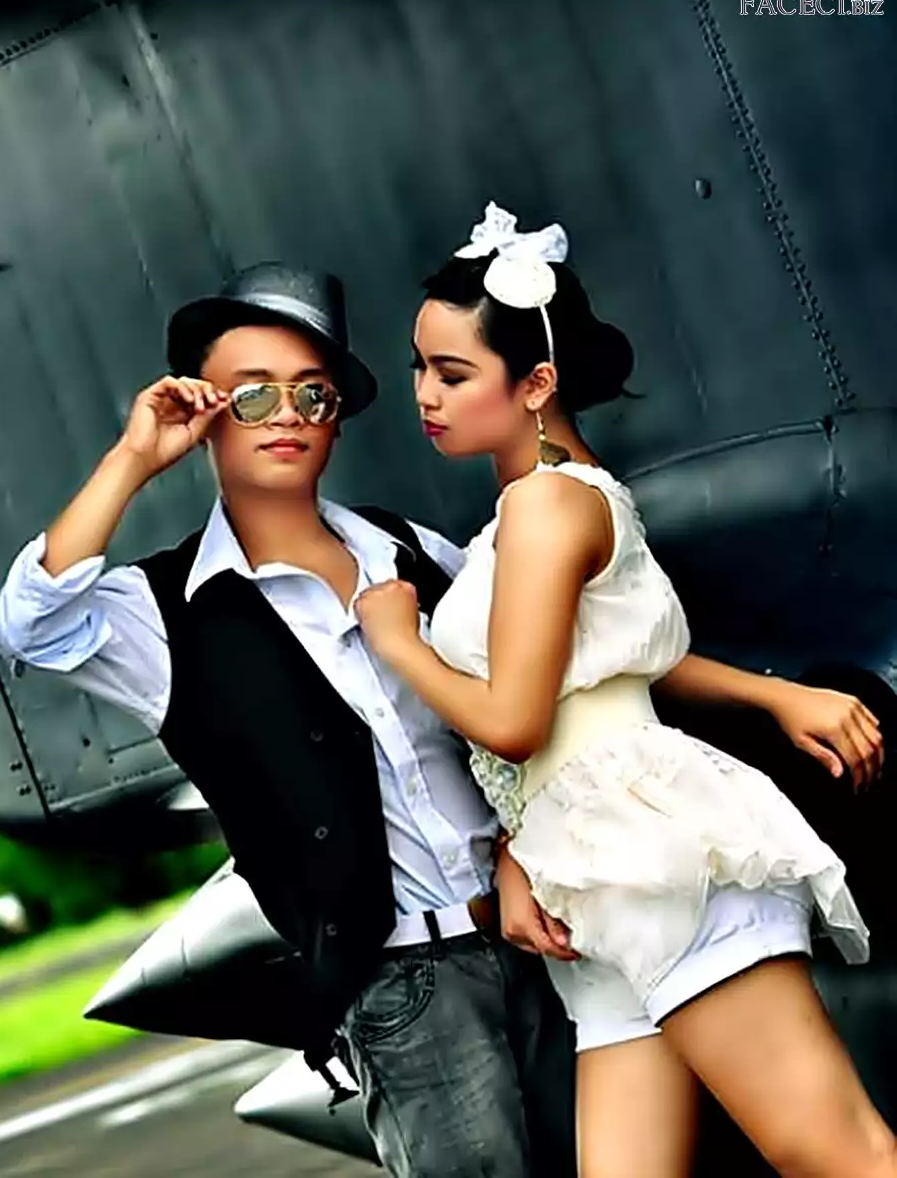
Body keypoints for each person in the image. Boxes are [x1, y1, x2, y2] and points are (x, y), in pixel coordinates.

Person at [0, 262, 880, 1177]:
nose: (287, 415)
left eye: (313, 394)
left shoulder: (417, 553)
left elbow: (579, 665)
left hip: (548, 927)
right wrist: (136, 457)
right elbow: (27, 624)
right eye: (251, 396)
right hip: (405, 988)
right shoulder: (167, 614)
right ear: (206, 412)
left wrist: (518, 845)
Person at [358, 201, 896, 1176]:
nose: (424, 396)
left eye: (451, 373)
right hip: (585, 871)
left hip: (645, 850)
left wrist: (399, 642)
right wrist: (774, 696)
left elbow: (516, 722)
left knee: (836, 1154)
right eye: (418, 368)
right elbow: (616, 657)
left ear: (536, 383)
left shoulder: (546, 506)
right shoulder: (546, 500)